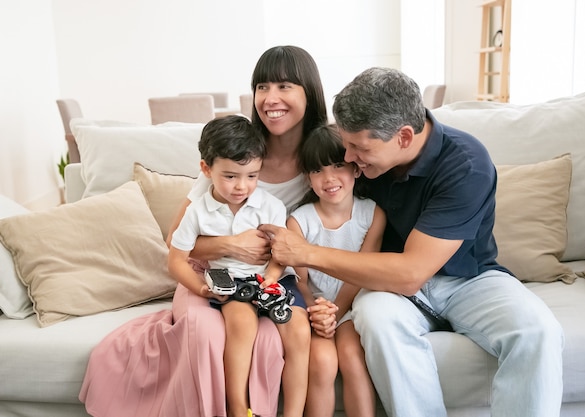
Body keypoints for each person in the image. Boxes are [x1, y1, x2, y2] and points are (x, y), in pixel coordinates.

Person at [259, 67, 564, 417]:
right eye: (346, 143)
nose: (348, 157)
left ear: (404, 137)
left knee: (538, 331)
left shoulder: (465, 164)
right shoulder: (360, 164)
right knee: (376, 319)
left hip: (469, 280)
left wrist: (307, 253)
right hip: (385, 288)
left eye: (358, 147)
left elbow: (411, 273)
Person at [79, 45, 328, 417]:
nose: (270, 98)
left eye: (284, 86)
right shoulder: (228, 156)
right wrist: (233, 246)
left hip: (273, 278)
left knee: (286, 328)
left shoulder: (323, 158)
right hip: (214, 273)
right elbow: (176, 243)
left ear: (309, 91)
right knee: (213, 329)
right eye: (262, 87)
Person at [168, 115, 310, 417]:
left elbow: (279, 254)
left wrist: (270, 278)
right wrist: (202, 288)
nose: (241, 186)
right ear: (207, 169)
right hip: (232, 282)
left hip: (273, 281)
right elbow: (176, 260)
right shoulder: (197, 212)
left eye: (251, 176)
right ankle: (237, 408)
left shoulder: (271, 205)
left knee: (298, 329)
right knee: (243, 325)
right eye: (230, 176)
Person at [287, 125, 385, 417]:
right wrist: (320, 314)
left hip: (351, 307)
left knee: (353, 358)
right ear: (308, 178)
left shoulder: (373, 214)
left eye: (338, 166)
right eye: (317, 171)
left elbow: (363, 272)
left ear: (356, 168)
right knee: (322, 362)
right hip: (314, 311)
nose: (329, 178)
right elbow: (300, 282)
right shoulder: (299, 221)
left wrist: (336, 312)